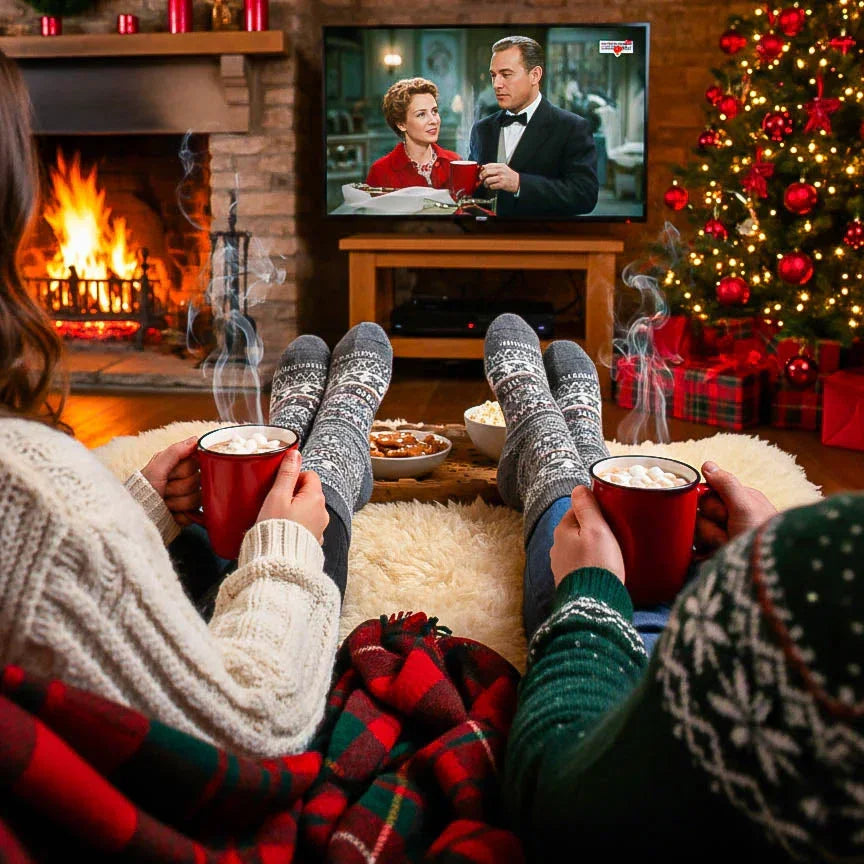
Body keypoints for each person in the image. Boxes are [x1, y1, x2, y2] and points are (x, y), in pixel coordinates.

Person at [0, 49, 395, 759]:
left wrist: (138, 506)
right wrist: (290, 548)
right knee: (283, 520)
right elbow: (253, 723)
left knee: (211, 528)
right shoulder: (35, 489)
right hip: (210, 796)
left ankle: (300, 435)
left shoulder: (40, 495)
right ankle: (335, 446)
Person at [481, 314, 864, 861]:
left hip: (636, 694)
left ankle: (542, 440)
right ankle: (573, 437)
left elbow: (562, 804)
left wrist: (590, 592)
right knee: (636, 535)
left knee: (583, 522)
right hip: (718, 650)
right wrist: (765, 552)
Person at [468, 36, 599, 219]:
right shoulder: (482, 129)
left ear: (535, 75)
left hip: (544, 241)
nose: (497, 84)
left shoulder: (571, 127)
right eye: (493, 75)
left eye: (506, 74)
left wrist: (520, 183)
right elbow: (474, 196)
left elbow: (585, 195)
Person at [365, 76, 462, 190]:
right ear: (401, 124)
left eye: (434, 111)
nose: (433, 120)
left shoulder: (455, 162)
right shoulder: (380, 171)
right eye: (421, 114)